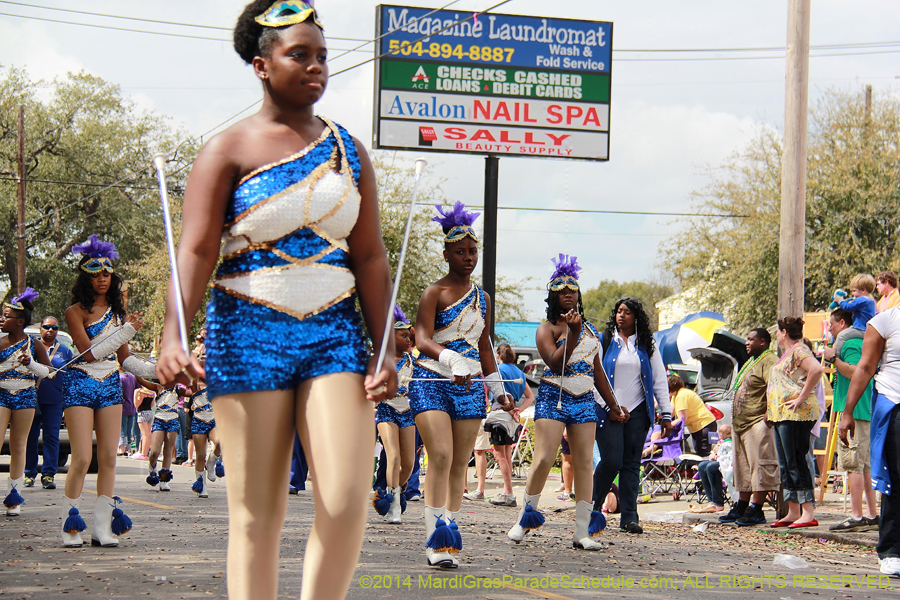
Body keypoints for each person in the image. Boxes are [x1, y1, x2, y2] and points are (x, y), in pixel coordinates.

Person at [154, 2, 397, 598]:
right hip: (247, 333)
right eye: (299, 55)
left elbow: (369, 257)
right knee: (258, 516)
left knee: (344, 497)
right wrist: (172, 333)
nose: (315, 67)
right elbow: (194, 252)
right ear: (262, 65)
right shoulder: (226, 149)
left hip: (336, 337)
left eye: (321, 56)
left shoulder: (349, 150)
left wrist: (385, 346)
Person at [410, 201, 511, 568]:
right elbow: (421, 338)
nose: (468, 258)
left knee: (458, 464)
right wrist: (448, 358)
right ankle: (433, 537)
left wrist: (499, 389)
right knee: (439, 454)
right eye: (460, 252)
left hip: (470, 385)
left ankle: (448, 532)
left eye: (473, 252)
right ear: (446, 254)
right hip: (432, 379)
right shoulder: (433, 292)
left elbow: (484, 345)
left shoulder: (483, 298)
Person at [506, 255, 619, 550]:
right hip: (553, 398)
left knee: (583, 463)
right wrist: (572, 332)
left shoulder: (592, 331)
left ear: (579, 295)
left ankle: (582, 531)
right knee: (544, 458)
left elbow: (599, 373)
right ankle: (524, 518)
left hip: (584, 401)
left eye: (573, 290)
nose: (568, 294)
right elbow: (555, 364)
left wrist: (613, 405)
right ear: (553, 297)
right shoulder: (547, 329)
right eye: (562, 291)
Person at [61, 235, 155, 547]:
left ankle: (101, 528)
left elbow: (125, 358)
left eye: (107, 273)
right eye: (96, 273)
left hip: (110, 386)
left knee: (109, 459)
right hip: (79, 384)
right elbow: (89, 354)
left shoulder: (117, 312)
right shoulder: (74, 311)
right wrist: (127, 330)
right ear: (86, 277)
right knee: (82, 458)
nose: (103, 278)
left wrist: (157, 371)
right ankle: (70, 524)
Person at [593, 297, 673, 535]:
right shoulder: (604, 340)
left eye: (627, 312)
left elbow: (659, 379)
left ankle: (629, 518)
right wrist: (610, 408)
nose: (621, 315)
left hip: (638, 413)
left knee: (630, 465)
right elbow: (594, 377)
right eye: (619, 311)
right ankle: (591, 510)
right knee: (611, 461)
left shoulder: (648, 344)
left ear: (636, 316)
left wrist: (666, 414)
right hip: (608, 412)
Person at [841, 306, 900, 575]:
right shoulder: (885, 321)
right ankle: (890, 550)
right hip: (894, 402)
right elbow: (864, 367)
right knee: (896, 478)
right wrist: (848, 412)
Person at [823, 308, 878, 531]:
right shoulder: (856, 341)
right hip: (860, 411)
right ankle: (872, 515)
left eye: (832, 324)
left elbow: (857, 371)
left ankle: (856, 517)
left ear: (843, 323)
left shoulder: (851, 343)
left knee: (854, 465)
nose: (829, 328)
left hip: (854, 412)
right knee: (863, 465)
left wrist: (834, 359)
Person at [767, 317, 823, 529]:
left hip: (796, 414)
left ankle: (807, 512)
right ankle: (793, 510)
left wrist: (801, 396)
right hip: (782, 414)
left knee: (797, 461)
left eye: (778, 331)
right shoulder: (787, 354)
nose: (776, 335)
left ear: (784, 332)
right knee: (786, 463)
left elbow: (816, 369)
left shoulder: (799, 350)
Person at [720, 328, 779, 527]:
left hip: (756, 423)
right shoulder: (752, 361)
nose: (747, 342)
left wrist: (768, 417)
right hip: (741, 424)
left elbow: (774, 388)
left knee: (759, 466)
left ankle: (757, 508)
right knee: (743, 468)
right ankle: (742, 504)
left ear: (763, 342)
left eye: (751, 339)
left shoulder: (769, 360)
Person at [1, 289, 52, 516]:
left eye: (6, 316)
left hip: (26, 396)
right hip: (1, 395)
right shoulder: (0, 343)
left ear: (19, 321)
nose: (1, 319)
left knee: (18, 446)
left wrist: (30, 363)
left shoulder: (34, 344)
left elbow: (49, 372)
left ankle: (14, 498)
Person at [371, 306, 417, 523]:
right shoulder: (381, 361)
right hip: (386, 409)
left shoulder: (414, 362)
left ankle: (397, 488)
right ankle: (394, 503)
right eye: (404, 336)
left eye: (410, 336)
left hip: (407, 411)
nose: (409, 340)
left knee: (409, 462)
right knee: (393, 456)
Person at [24, 316, 73, 490]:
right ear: (40, 329)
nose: (50, 330)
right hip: (31, 399)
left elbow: (70, 379)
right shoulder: (30, 347)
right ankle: (29, 473)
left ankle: (48, 475)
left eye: (54, 327)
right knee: (30, 437)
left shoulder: (65, 351)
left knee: (51, 437)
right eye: (46, 327)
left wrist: (68, 405)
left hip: (54, 401)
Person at [484, 342, 534, 507]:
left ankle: (508, 492)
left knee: (500, 456)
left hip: (500, 415)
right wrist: (518, 409)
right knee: (506, 454)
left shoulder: (499, 371)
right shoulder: (519, 372)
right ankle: (507, 491)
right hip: (512, 419)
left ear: (497, 356)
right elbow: (530, 396)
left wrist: (510, 408)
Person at [145, 385, 186, 491]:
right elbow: (140, 380)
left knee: (168, 451)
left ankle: (164, 480)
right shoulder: (158, 388)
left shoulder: (178, 389)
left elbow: (192, 391)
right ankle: (152, 467)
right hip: (159, 420)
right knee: (154, 452)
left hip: (173, 421)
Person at [188, 380, 223, 498]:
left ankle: (211, 464)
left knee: (220, 442)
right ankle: (201, 485)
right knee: (200, 455)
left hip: (213, 421)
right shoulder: (195, 385)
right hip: (199, 422)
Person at [668, 374, 717, 457]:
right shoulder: (675, 395)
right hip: (697, 427)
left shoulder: (681, 396)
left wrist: (667, 426)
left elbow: (682, 419)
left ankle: (705, 469)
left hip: (704, 425)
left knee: (703, 454)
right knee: (698, 453)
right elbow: (671, 412)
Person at [831, 274, 877, 361]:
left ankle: (836, 357)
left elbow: (847, 308)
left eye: (854, 291)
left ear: (863, 290)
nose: (853, 294)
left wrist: (840, 300)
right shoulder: (870, 300)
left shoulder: (862, 300)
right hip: (866, 329)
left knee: (841, 336)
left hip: (860, 328)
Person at [690, 424, 733, 513]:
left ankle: (718, 502)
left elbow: (727, 457)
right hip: (721, 461)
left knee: (711, 467)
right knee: (702, 466)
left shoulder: (729, 443)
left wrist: (716, 455)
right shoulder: (721, 442)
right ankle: (711, 500)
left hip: (729, 465)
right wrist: (714, 453)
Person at [133, 384, 157, 460]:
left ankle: (144, 453)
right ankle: (142, 451)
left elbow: (136, 405)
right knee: (148, 434)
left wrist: (135, 394)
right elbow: (152, 404)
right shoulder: (152, 393)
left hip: (142, 413)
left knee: (145, 434)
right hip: (150, 412)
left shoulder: (142, 393)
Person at [118, 372, 138, 456]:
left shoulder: (121, 378)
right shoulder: (133, 377)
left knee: (122, 429)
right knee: (129, 429)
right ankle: (128, 448)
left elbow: (119, 391)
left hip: (123, 407)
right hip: (132, 406)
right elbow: (138, 388)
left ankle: (122, 449)